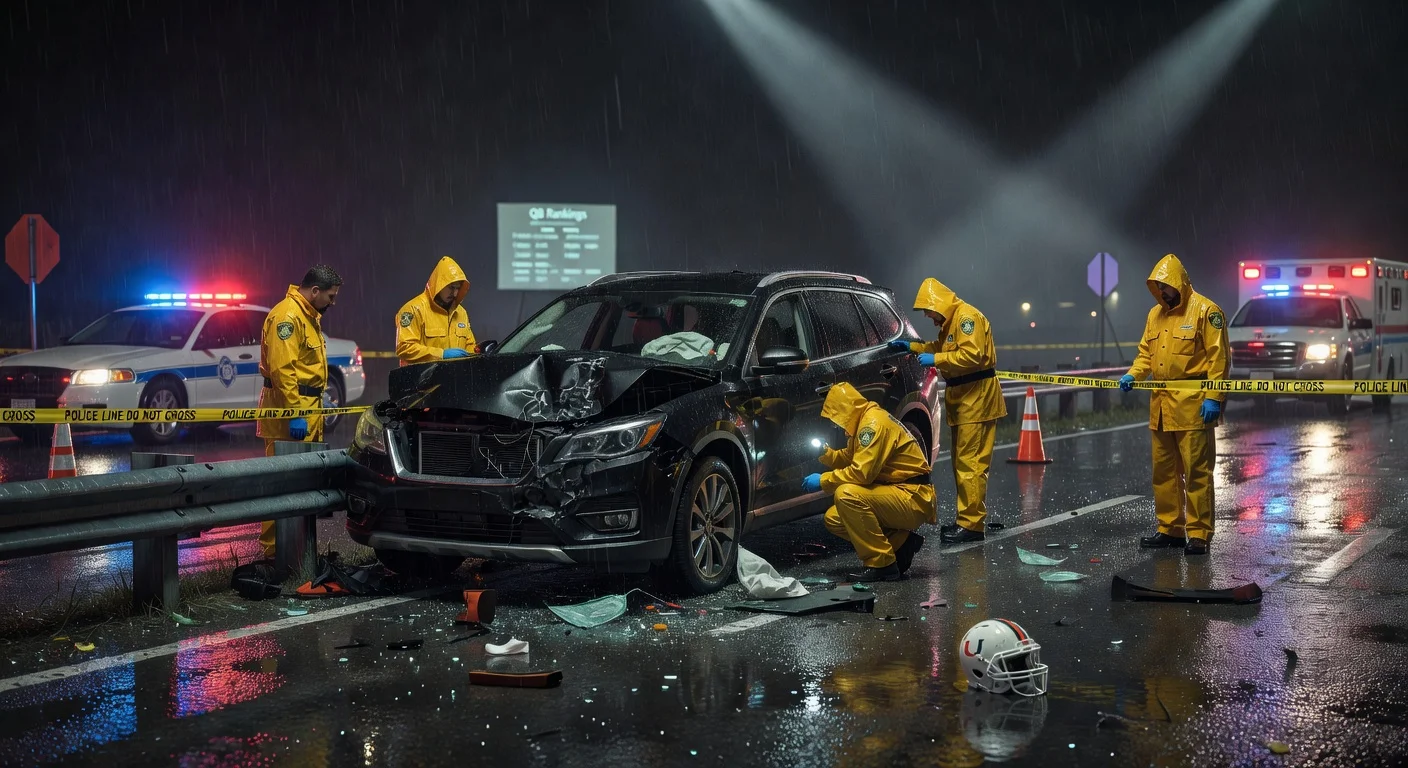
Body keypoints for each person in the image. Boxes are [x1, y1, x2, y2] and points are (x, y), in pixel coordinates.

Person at [1119, 253, 1229, 556]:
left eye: (1165, 286)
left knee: (1196, 473)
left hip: (1194, 407)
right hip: (1162, 408)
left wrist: (1214, 397)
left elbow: (1218, 359)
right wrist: (1133, 373)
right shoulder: (1155, 315)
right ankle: (1170, 529)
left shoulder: (1206, 311)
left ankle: (1199, 534)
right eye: (1158, 288)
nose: (1162, 292)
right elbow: (1145, 354)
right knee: (1164, 472)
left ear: (1178, 282)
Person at [890, 278, 1006, 544]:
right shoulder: (951, 322)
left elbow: (972, 356)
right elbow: (942, 349)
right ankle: (967, 521)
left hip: (976, 400)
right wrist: (914, 347)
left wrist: (937, 359)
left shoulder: (967, 319)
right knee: (963, 464)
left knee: (971, 466)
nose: (929, 318)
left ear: (938, 304)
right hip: (966, 402)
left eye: (929, 312)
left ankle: (971, 526)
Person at [803, 382, 936, 582]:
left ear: (845, 411)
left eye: (836, 418)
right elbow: (850, 457)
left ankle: (882, 564)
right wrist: (826, 454)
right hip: (901, 491)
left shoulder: (872, 425)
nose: (836, 424)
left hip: (913, 496)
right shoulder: (863, 421)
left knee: (846, 494)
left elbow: (860, 474)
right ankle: (901, 544)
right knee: (834, 517)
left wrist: (823, 481)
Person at [257, 265, 342, 558]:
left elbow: (305, 368)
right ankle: (273, 553)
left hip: (307, 408)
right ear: (314, 291)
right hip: (289, 411)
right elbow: (283, 371)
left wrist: (319, 399)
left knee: (302, 485)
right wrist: (295, 412)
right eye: (330, 296)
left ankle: (296, 551)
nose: (333, 302)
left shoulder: (307, 316)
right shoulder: (288, 317)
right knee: (281, 484)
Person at [395, 255, 476, 365]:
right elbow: (405, 348)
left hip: (455, 379)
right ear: (439, 284)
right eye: (451, 287)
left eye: (458, 288)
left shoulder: (460, 312)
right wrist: (441, 354)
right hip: (421, 380)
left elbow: (470, 347)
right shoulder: (413, 310)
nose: (455, 293)